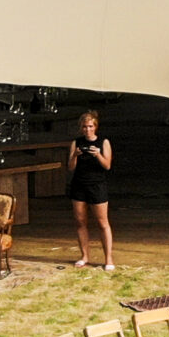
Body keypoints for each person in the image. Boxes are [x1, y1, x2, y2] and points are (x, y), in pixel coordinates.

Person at [66, 110, 115, 270]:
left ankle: (108, 259)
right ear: (81, 128)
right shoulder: (76, 142)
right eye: (85, 127)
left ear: (95, 127)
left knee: (102, 222)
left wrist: (98, 155)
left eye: (90, 126)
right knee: (80, 222)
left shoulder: (103, 142)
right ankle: (84, 256)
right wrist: (75, 155)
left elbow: (107, 166)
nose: (87, 130)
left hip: (97, 185)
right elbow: (70, 167)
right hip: (79, 185)